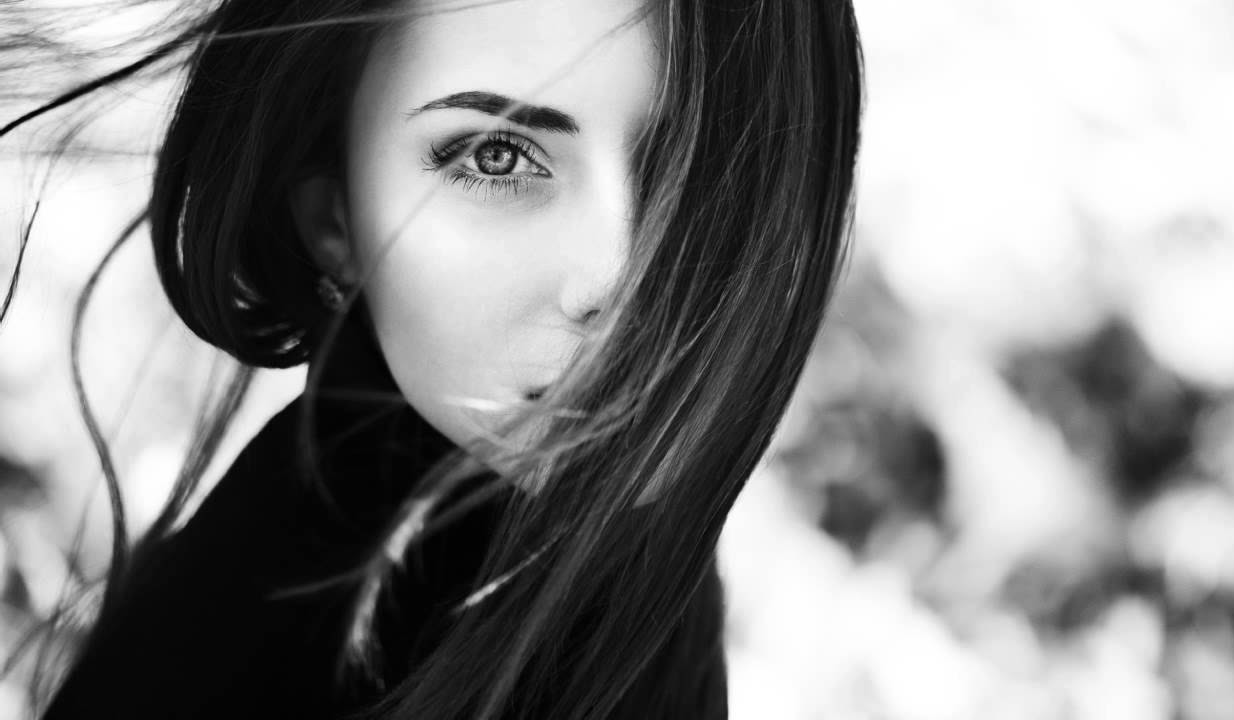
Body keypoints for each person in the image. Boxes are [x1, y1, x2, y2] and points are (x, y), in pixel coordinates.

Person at [1, 0, 864, 717]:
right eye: (497, 156)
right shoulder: (234, 646)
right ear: (336, 221)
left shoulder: (624, 560)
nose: (614, 279)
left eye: (707, 167)